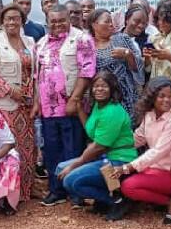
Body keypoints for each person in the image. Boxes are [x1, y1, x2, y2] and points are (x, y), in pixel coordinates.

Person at [35, 4, 97, 206]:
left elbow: (87, 71)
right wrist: (37, 102)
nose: (58, 24)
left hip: (71, 107)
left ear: (69, 19)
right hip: (48, 109)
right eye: (53, 21)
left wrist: (75, 99)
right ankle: (56, 190)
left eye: (62, 20)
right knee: (52, 151)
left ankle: (75, 191)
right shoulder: (41, 43)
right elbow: (38, 76)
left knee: (73, 151)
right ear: (47, 21)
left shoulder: (81, 39)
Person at [56, 71, 137, 220]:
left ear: (112, 89)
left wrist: (74, 165)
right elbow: (92, 132)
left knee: (70, 180)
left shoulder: (112, 111)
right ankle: (103, 199)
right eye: (96, 86)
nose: (99, 89)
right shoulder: (98, 107)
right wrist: (80, 109)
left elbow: (99, 146)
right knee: (60, 168)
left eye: (104, 86)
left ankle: (117, 201)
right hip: (104, 158)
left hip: (119, 159)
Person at [0, 3, 38, 203]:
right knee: (6, 148)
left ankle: (25, 190)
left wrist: (35, 100)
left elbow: (36, 74)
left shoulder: (30, 42)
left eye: (16, 18)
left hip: (26, 106)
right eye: (8, 18)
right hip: (4, 106)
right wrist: (9, 90)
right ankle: (6, 193)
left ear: (22, 21)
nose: (12, 22)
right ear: (2, 21)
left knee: (27, 148)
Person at [119, 77, 171, 223]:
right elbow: (138, 139)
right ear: (152, 97)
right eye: (162, 96)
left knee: (129, 186)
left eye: (170, 96)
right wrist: (113, 147)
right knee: (122, 177)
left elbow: (159, 150)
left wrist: (130, 166)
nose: (167, 100)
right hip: (156, 168)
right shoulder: (149, 115)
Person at [89, 9, 143, 119]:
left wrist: (128, 54)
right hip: (101, 98)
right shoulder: (88, 46)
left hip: (126, 98)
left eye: (111, 21)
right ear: (94, 25)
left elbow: (139, 68)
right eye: (107, 21)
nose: (111, 24)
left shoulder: (122, 39)